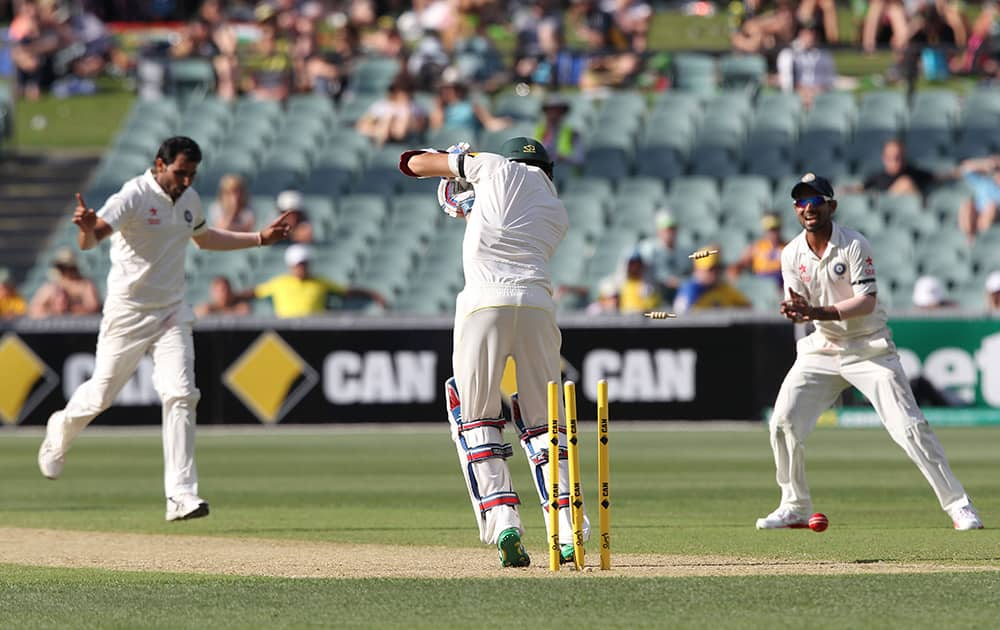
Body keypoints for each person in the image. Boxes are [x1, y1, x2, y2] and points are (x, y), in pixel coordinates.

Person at [37, 136, 293, 522]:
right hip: (128, 313)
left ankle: (181, 495)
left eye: (191, 174)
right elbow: (91, 240)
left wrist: (259, 238)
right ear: (160, 164)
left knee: (181, 394)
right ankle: (59, 430)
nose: (186, 181)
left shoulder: (189, 199)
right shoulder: (133, 195)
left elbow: (205, 239)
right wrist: (86, 229)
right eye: (179, 172)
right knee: (101, 395)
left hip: (172, 311)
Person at [398, 136, 590, 568]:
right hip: (538, 305)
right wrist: (467, 198)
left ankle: (503, 521)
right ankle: (566, 531)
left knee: (475, 414)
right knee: (546, 423)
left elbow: (411, 164)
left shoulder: (494, 167)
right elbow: (495, 216)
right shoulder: (557, 212)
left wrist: (450, 156)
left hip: (484, 303)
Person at [756, 172, 983, 531]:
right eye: (801, 201)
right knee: (783, 422)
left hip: (869, 348)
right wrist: (794, 308)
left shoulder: (854, 245)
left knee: (909, 428)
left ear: (831, 205)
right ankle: (795, 504)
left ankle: (959, 506)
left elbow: (865, 302)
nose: (808, 207)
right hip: (822, 348)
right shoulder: (791, 254)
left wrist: (817, 312)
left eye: (816, 200)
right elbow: (796, 301)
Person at [237, 244, 386, 318]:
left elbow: (347, 291)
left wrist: (373, 295)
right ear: (291, 266)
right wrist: (232, 298)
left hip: (314, 329)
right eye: (298, 264)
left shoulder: (320, 282)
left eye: (304, 264)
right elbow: (254, 293)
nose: (301, 268)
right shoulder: (279, 283)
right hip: (286, 330)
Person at [630, 209, 691, 304]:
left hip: (677, 294)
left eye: (673, 228)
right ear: (659, 230)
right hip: (653, 293)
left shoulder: (684, 251)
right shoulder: (648, 249)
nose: (670, 232)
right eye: (666, 228)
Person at [775, 19, 836, 110]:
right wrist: (801, 91)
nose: (809, 37)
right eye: (804, 33)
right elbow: (786, 81)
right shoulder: (790, 55)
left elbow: (830, 81)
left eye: (811, 34)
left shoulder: (825, 56)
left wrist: (815, 91)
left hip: (819, 96)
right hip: (797, 95)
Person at [672, 248, 752, 315]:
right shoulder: (690, 289)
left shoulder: (724, 288)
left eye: (716, 268)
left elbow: (748, 308)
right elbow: (680, 317)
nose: (714, 273)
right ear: (697, 270)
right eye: (710, 270)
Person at [28, 247, 101, 317]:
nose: (65, 271)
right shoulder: (52, 286)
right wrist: (53, 312)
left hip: (81, 326)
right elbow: (35, 308)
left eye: (67, 267)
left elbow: (93, 307)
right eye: (61, 267)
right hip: (56, 327)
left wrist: (70, 310)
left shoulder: (85, 285)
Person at [727, 213, 786, 290]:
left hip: (780, 283)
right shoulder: (757, 247)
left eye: (775, 230)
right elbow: (740, 264)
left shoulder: (788, 247)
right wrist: (734, 272)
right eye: (770, 230)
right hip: (761, 281)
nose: (772, 234)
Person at [862, 139, 936, 198]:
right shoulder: (876, 177)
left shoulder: (914, 173)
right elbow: (859, 190)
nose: (895, 161)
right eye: (890, 157)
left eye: (898, 157)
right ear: (884, 158)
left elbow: (936, 177)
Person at [956, 155, 1000, 243]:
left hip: (994, 216)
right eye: (997, 170)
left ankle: (983, 237)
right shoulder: (984, 182)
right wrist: (986, 164)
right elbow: (964, 169)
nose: (997, 173)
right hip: (978, 212)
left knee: (992, 207)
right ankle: (969, 235)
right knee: (967, 205)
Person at [617, 251, 661, 315]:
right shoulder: (620, 284)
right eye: (631, 264)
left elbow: (655, 305)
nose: (634, 267)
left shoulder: (650, 285)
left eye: (637, 263)